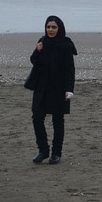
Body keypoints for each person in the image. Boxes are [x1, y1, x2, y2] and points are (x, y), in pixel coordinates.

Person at [29, 15, 76, 165]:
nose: (50, 30)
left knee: (57, 121)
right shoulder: (42, 41)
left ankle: (56, 153)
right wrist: (37, 50)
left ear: (59, 28)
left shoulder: (66, 45)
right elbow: (34, 61)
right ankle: (43, 150)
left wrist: (69, 89)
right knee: (37, 117)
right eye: (48, 27)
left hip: (59, 88)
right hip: (42, 87)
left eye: (53, 27)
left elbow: (70, 69)